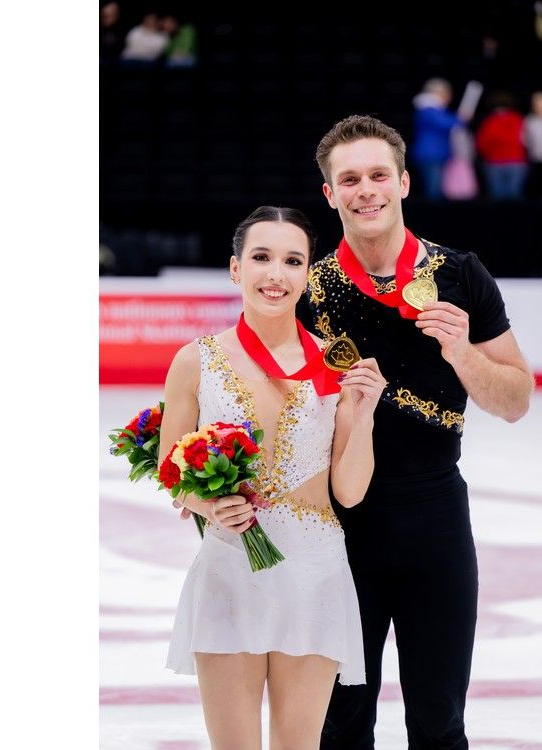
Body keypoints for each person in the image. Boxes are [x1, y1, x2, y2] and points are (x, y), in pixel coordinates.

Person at [302, 116, 535, 749]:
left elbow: (515, 401)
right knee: (340, 722)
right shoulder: (307, 294)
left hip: (435, 514)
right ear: (330, 193)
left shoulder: (461, 275)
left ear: (404, 181)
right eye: (349, 179)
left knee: (439, 718)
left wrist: (462, 353)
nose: (365, 190)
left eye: (378, 174)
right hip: (340, 523)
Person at [160, 206, 387, 748]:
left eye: (292, 261)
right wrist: (209, 504)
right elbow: (172, 469)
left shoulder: (334, 364)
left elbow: (350, 492)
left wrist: (366, 413)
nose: (275, 274)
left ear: (308, 274)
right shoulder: (195, 360)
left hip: (314, 572)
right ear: (236, 269)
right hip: (230, 567)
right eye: (261, 258)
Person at [410, 78, 467, 201]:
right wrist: (462, 118)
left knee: (436, 188)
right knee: (433, 190)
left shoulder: (432, 109)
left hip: (436, 154)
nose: (449, 97)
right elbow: (445, 123)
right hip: (430, 154)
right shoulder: (427, 109)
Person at [475, 91, 530, 200]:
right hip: (506, 162)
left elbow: (481, 143)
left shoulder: (492, 121)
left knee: (505, 197)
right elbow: (481, 143)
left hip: (506, 162)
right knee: (507, 196)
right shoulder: (517, 120)